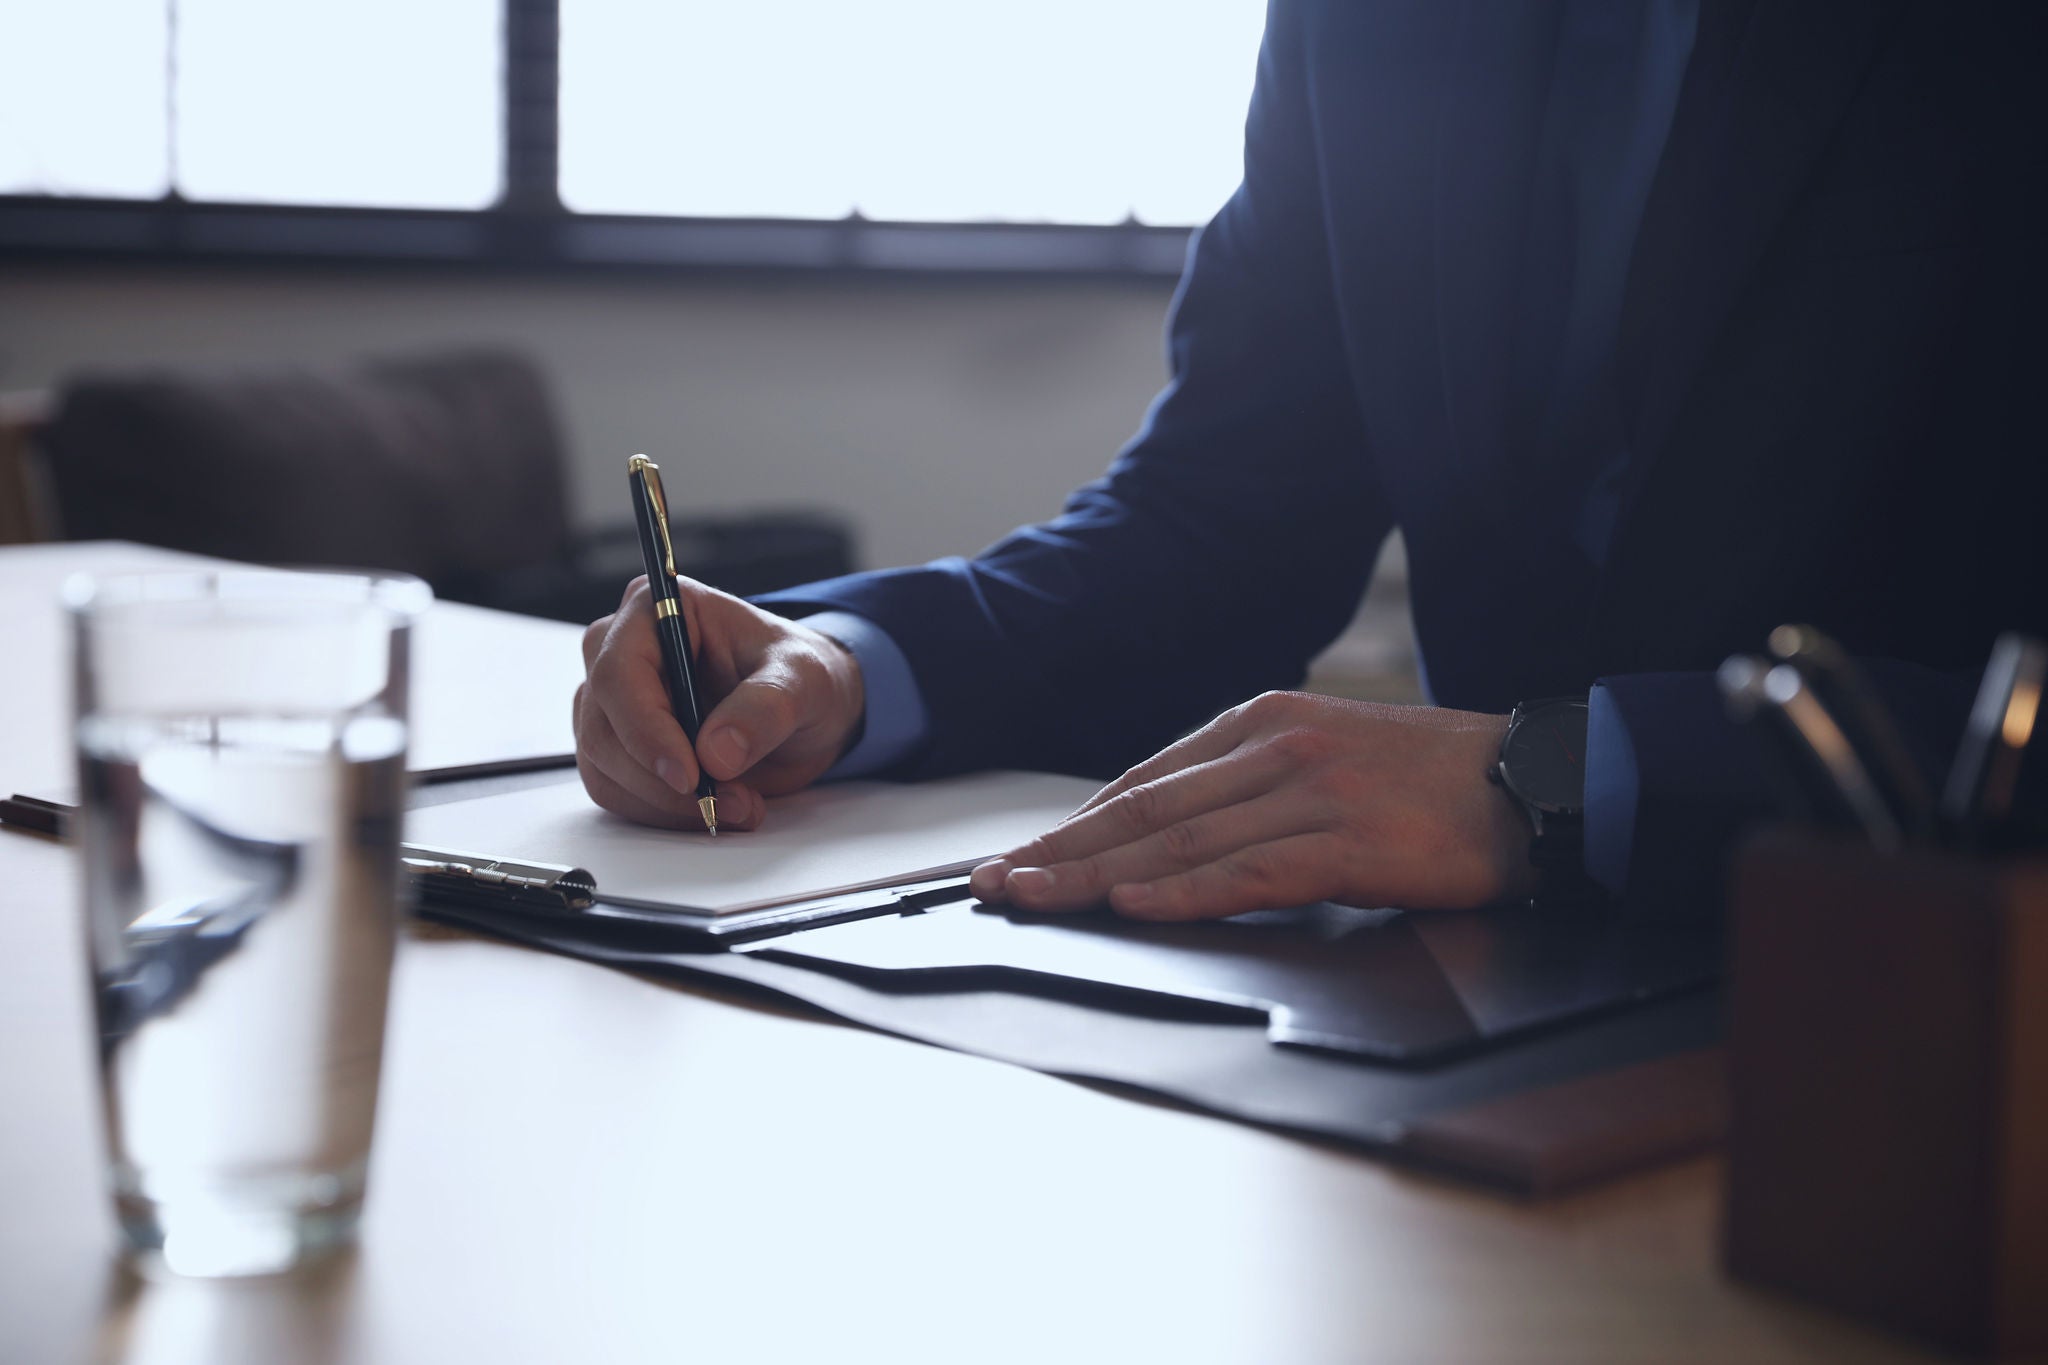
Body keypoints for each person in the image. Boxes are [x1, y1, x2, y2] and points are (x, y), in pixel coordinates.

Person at [575, 0, 2048, 922]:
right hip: (1468, 1030)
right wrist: (844, 666)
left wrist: (1558, 781)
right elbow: (1224, 519)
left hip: (1952, 1015)